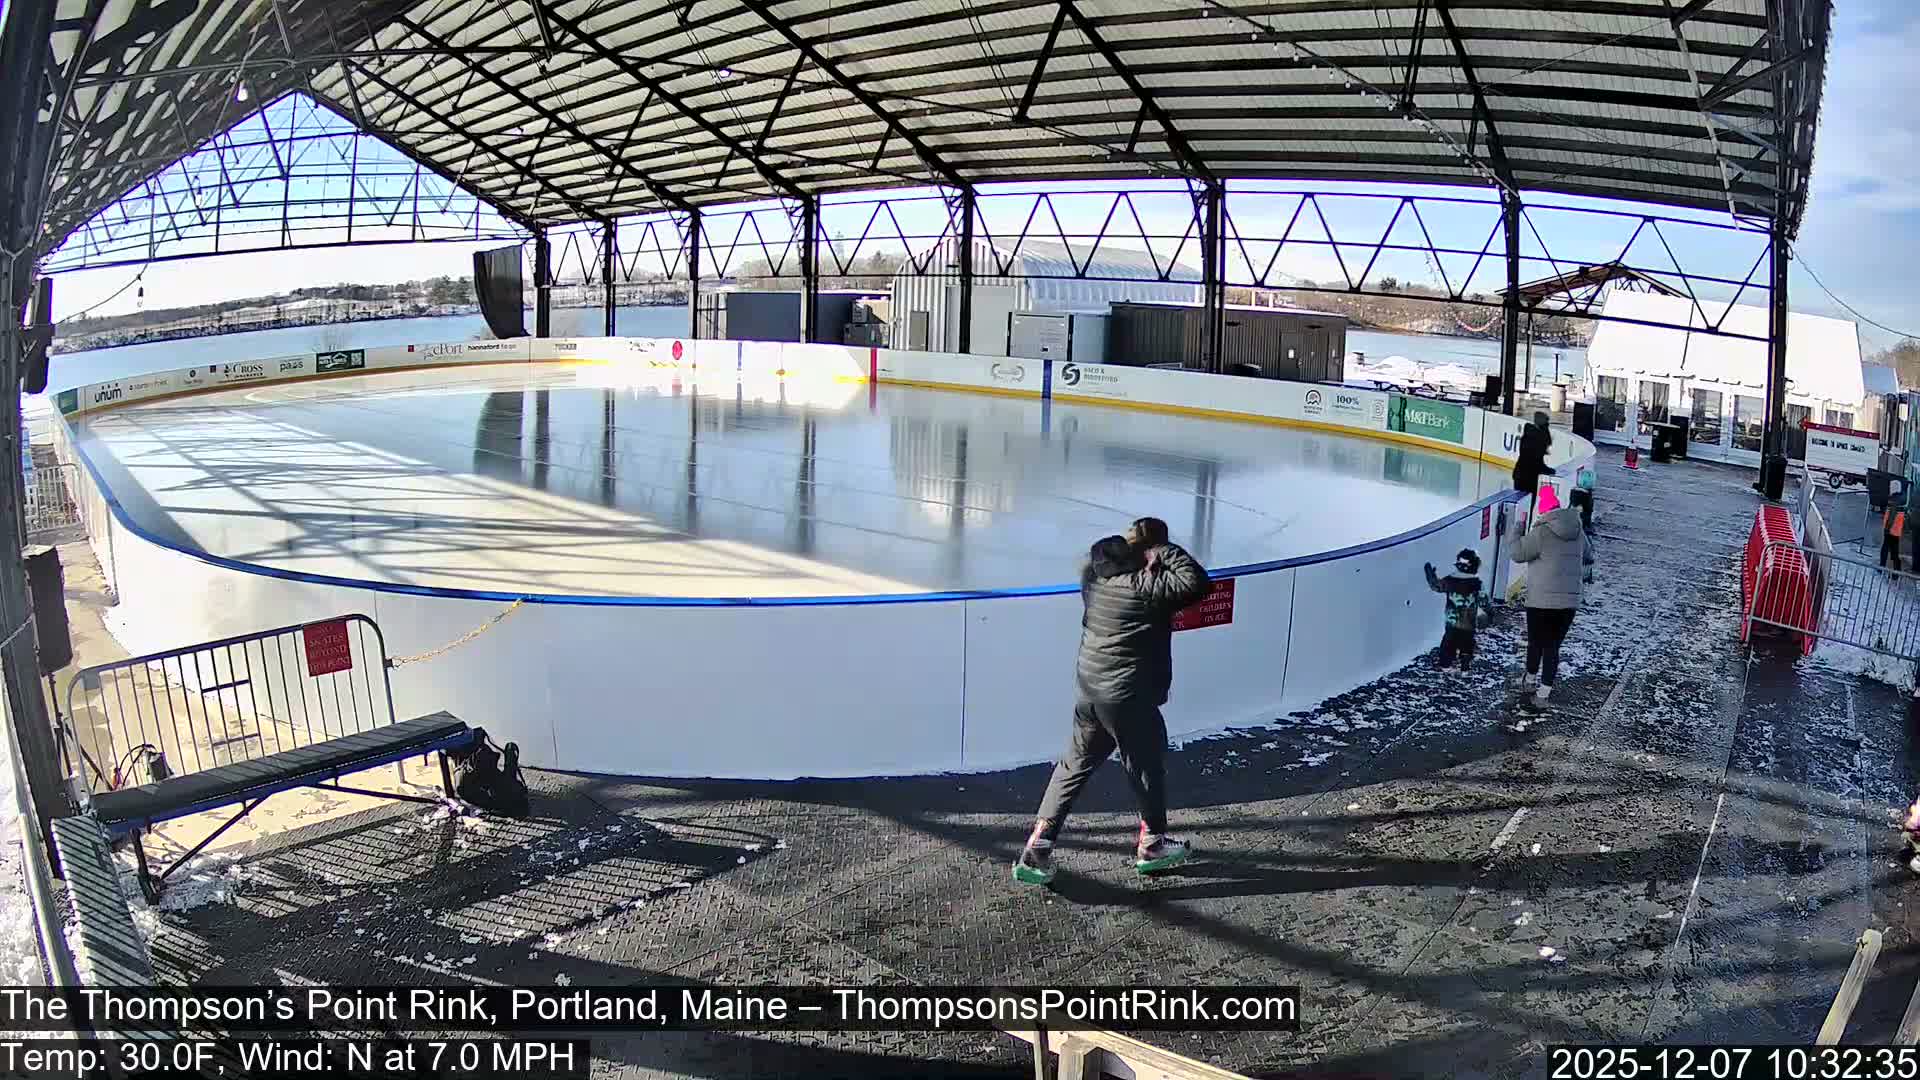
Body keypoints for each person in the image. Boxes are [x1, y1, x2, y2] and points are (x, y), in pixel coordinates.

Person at [1014, 517, 1211, 886]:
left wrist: (1141, 552)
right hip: (1129, 699)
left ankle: (1037, 846)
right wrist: (1161, 549)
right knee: (1147, 768)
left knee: (1072, 767)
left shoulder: (1093, 582)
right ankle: (1152, 844)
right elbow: (1197, 583)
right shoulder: (1146, 587)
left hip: (1090, 693)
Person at [1510, 487, 1595, 707]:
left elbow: (1518, 554)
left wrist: (1518, 528)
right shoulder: (1578, 530)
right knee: (1552, 646)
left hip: (1541, 600)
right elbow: (1588, 555)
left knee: (1536, 642)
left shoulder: (1541, 532)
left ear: (1544, 512)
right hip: (1569, 602)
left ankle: (1529, 680)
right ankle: (1543, 694)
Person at [1424, 548, 1490, 671]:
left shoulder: (1450, 580)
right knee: (1467, 643)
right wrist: (1488, 614)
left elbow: (1436, 586)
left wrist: (1430, 575)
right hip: (1469, 621)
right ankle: (1465, 666)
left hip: (1452, 621)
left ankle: (1445, 665)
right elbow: (1484, 600)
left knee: (1448, 643)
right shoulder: (1477, 583)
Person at [1512, 411, 1556, 496]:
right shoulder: (1536, 438)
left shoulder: (1532, 436)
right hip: (1525, 478)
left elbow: (1538, 461)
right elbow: (1534, 461)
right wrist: (1546, 470)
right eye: (1546, 424)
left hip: (1525, 476)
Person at [1882, 502, 1906, 574]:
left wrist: (1887, 529)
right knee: (1894, 551)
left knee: (1887, 549)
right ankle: (1896, 570)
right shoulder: (1902, 501)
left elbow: (1891, 516)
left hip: (1890, 530)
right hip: (1895, 530)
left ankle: (1883, 567)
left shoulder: (1894, 501)